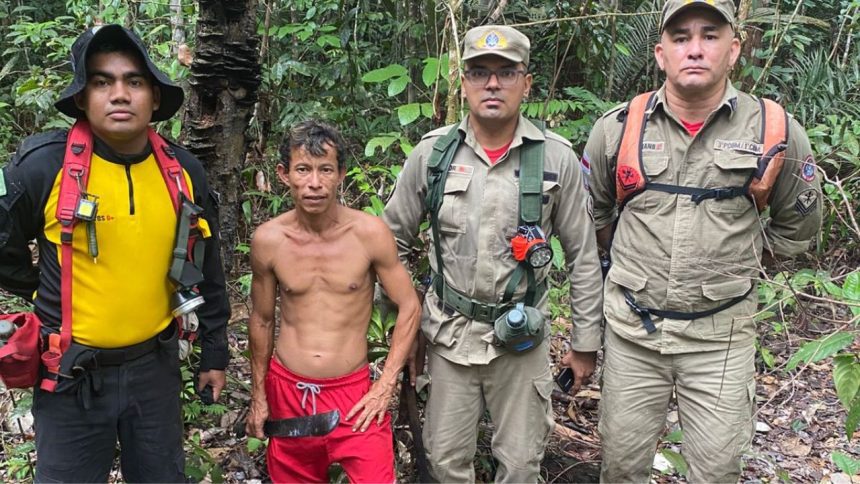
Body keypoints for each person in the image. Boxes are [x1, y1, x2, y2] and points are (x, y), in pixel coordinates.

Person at [583, 0, 822, 481]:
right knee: (621, 468)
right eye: (680, 37)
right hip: (634, 335)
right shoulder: (618, 128)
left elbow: (798, 226)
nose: (695, 49)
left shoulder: (773, 129)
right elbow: (596, 215)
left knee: (716, 471)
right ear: (660, 53)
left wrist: (740, 263)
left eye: (709, 36)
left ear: (734, 49)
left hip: (722, 341)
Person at [0, 25, 230, 482]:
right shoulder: (42, 165)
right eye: (102, 82)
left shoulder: (182, 171)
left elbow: (206, 263)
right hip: (69, 376)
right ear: (82, 98)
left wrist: (215, 352)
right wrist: (38, 289)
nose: (119, 94)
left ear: (156, 98)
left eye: (134, 82)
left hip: (156, 371)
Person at [382, 25, 604, 482]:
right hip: (448, 338)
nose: (492, 84)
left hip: (522, 341)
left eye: (507, 73)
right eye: (480, 72)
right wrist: (405, 327)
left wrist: (585, 343)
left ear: (527, 82)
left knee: (522, 465)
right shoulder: (433, 155)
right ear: (462, 81)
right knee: (444, 463)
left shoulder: (555, 158)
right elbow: (390, 244)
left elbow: (583, 255)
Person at [245, 120, 421, 483]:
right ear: (284, 174)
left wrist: (385, 383)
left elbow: (409, 306)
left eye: (325, 169)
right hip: (288, 391)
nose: (314, 183)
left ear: (341, 173)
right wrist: (259, 395)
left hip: (354, 395)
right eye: (303, 169)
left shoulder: (369, 234)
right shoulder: (269, 240)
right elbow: (261, 320)